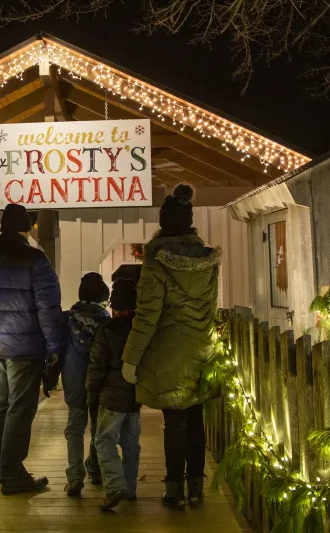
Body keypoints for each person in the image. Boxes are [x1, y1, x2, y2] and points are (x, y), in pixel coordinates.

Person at [122, 184, 220, 510]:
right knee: (196, 420)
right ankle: (197, 488)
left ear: (163, 223)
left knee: (174, 424)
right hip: (203, 351)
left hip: (169, 356)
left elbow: (147, 315)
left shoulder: (157, 261)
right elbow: (210, 309)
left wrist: (130, 359)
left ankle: (174, 489)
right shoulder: (207, 260)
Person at [0, 204, 67, 495]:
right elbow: (47, 307)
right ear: (27, 228)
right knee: (20, 408)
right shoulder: (35, 259)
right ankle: (13, 472)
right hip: (25, 345)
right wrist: (54, 346)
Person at [88, 278, 142, 511]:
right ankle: (129, 487)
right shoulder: (141, 331)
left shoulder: (107, 331)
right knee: (131, 442)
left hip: (111, 396)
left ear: (114, 305)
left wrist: (91, 392)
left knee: (104, 441)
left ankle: (114, 485)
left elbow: (96, 367)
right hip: (135, 396)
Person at [60, 272, 110, 496]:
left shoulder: (67, 319)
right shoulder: (107, 321)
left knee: (75, 428)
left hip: (74, 381)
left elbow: (57, 349)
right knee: (99, 427)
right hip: (100, 383)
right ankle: (96, 468)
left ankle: (75, 476)